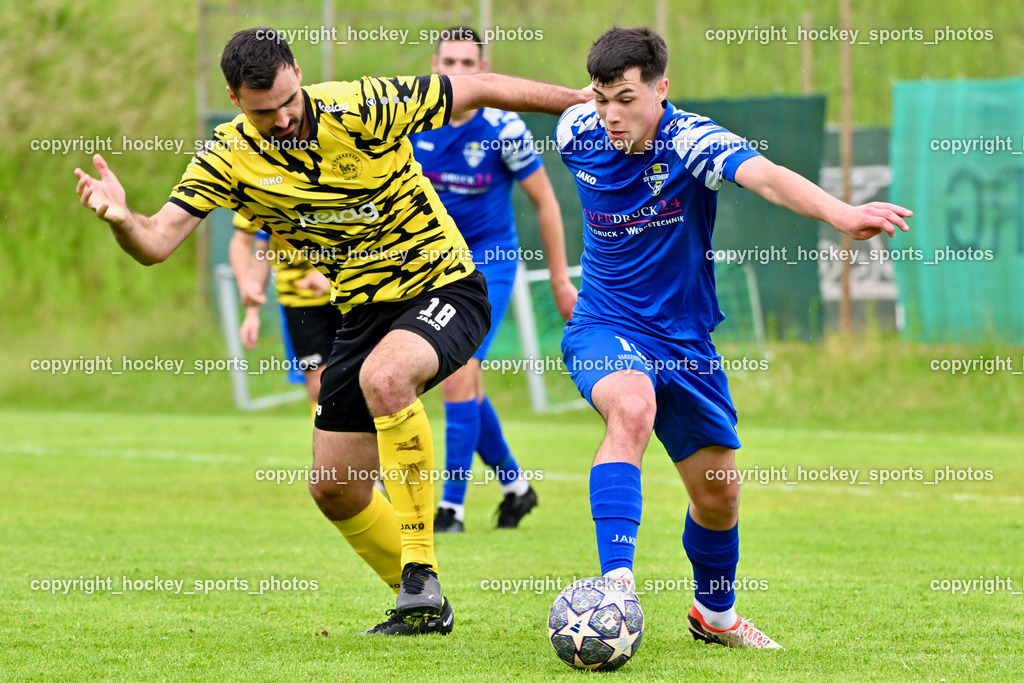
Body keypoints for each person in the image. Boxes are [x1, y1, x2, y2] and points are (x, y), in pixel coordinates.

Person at [75, 26, 589, 636]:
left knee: (388, 375)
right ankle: (425, 607)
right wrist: (120, 218)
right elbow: (156, 241)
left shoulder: (363, 104)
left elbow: (479, 86)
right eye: (265, 112)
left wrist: (582, 103)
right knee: (334, 488)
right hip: (363, 313)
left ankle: (421, 570)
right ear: (237, 101)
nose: (284, 118)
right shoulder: (227, 157)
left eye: (290, 101)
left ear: (298, 74)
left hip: (446, 284)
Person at [555, 27, 912, 649]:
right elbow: (543, 102)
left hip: (687, 344)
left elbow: (767, 175)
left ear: (661, 90)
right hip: (604, 325)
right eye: (602, 97)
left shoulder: (691, 139)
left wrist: (841, 213)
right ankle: (615, 588)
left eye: (627, 98)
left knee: (719, 498)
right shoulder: (575, 131)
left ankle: (714, 617)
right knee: (632, 407)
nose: (612, 114)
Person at [408, 27, 577, 533]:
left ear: (484, 69)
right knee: (459, 383)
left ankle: (450, 509)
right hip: (429, 263)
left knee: (458, 373)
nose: (457, 72)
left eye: (467, 63)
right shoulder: (407, 121)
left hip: (489, 263)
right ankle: (516, 487)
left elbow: (546, 202)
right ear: (434, 66)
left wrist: (560, 280)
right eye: (449, 62)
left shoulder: (504, 128)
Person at [229, 214, 340, 410]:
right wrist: (252, 310)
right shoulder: (258, 190)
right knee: (319, 387)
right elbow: (259, 249)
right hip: (299, 302)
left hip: (353, 296)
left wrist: (332, 275)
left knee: (365, 376)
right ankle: (331, 439)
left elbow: (373, 236)